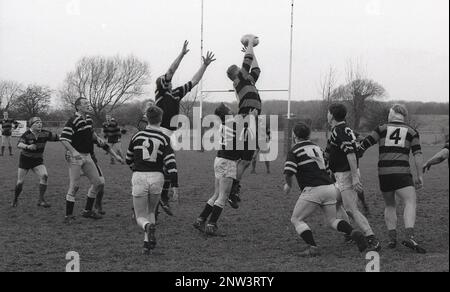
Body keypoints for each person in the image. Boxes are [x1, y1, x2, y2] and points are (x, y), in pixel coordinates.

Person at [284, 122, 368, 257]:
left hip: (313, 189)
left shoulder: (294, 150)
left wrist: (288, 185)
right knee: (332, 220)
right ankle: (353, 233)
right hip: (329, 188)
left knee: (296, 219)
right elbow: (328, 168)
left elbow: (289, 172)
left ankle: (313, 247)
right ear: (309, 135)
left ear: (294, 135)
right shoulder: (317, 148)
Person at [154, 41, 215, 217]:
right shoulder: (161, 92)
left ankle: (160, 199)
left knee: (164, 168)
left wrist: (204, 65)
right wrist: (181, 55)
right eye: (166, 79)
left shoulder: (176, 93)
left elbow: (194, 81)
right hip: (158, 133)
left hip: (169, 135)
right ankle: (155, 201)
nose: (169, 80)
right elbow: (171, 71)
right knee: (163, 168)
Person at [359, 104, 426, 254]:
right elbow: (418, 154)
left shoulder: (381, 128)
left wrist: (354, 155)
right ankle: (409, 236)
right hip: (402, 173)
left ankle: (392, 239)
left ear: (394, 113)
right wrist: (419, 175)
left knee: (390, 205)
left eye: (389, 112)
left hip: (384, 174)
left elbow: (365, 144)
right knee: (410, 201)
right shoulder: (412, 131)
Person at [325, 103, 381, 251]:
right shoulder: (345, 129)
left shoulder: (338, 130)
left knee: (351, 209)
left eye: (328, 112)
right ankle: (349, 234)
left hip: (346, 174)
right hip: (342, 175)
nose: (327, 114)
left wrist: (355, 177)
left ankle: (371, 238)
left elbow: (350, 154)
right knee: (334, 202)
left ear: (332, 115)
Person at [126, 105, 179, 254]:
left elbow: (128, 159)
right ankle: (147, 245)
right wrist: (175, 185)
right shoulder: (164, 138)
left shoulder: (137, 136)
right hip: (157, 178)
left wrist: (135, 169)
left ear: (147, 119)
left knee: (140, 217)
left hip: (139, 177)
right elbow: (171, 164)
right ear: (161, 119)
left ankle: (147, 228)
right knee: (151, 212)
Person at [193, 103, 242, 236]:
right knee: (223, 196)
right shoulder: (233, 124)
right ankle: (211, 225)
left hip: (219, 160)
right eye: (228, 108)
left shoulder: (223, 125)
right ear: (226, 113)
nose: (231, 109)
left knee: (216, 194)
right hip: (228, 162)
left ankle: (201, 219)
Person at [226, 37, 262, 208]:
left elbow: (256, 68)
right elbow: (247, 62)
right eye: (240, 67)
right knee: (244, 158)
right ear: (236, 72)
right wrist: (249, 44)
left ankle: (234, 187)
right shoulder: (239, 79)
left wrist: (252, 52)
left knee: (247, 159)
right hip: (246, 119)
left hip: (252, 120)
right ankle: (232, 188)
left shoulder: (249, 79)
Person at [60, 97, 107, 223]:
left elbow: (90, 133)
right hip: (75, 156)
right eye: (85, 104)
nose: (88, 105)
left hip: (87, 156)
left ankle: (87, 211)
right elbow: (63, 138)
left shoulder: (89, 119)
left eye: (88, 103)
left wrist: (98, 138)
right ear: (78, 107)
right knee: (75, 186)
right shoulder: (73, 120)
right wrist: (74, 152)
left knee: (97, 183)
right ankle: (68, 216)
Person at [12, 117, 60, 208]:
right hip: (25, 160)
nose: (40, 124)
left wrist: (70, 138)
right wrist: (28, 146)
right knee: (20, 182)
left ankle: (41, 200)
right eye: (37, 122)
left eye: (41, 122)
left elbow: (59, 137)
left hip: (37, 160)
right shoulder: (27, 134)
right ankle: (15, 199)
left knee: (44, 176)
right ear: (31, 125)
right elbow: (19, 144)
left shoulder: (45, 133)